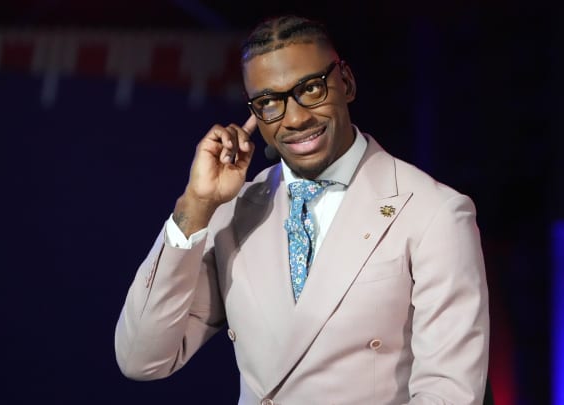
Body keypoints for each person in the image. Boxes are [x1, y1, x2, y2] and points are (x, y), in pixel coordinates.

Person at [115, 14, 490, 405]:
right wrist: (195, 204)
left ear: (345, 82)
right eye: (269, 102)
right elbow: (142, 358)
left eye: (311, 89)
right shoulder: (234, 211)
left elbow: (449, 395)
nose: (295, 118)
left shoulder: (433, 213)